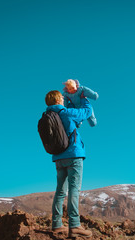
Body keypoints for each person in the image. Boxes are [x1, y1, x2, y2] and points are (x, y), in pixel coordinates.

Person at [44, 90, 93, 238]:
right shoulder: (66, 113)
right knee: (74, 190)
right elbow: (86, 112)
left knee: (60, 191)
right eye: (62, 98)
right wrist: (84, 98)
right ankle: (75, 225)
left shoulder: (48, 116)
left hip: (58, 158)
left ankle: (57, 225)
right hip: (73, 156)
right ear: (59, 99)